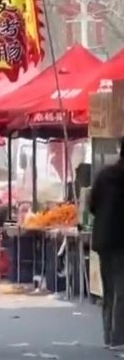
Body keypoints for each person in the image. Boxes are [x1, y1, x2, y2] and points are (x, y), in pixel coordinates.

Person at [89, 139, 124, 350]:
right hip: (121, 240)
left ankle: (108, 336)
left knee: (109, 289)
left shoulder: (104, 175)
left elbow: (92, 206)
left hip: (103, 238)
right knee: (122, 289)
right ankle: (119, 338)